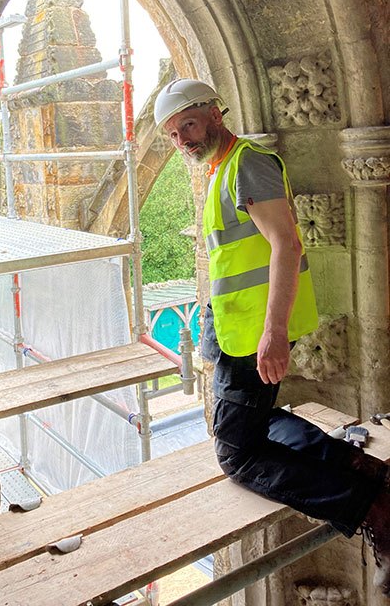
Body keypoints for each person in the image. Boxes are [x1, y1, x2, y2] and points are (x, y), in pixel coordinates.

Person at [153, 78, 390, 597]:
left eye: (188, 126)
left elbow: (285, 243)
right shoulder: (221, 169)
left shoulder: (247, 163)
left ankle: (369, 503)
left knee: (237, 456)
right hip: (232, 326)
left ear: (215, 113)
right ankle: (355, 464)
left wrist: (274, 334)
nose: (182, 141)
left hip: (254, 332)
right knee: (248, 423)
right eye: (172, 135)